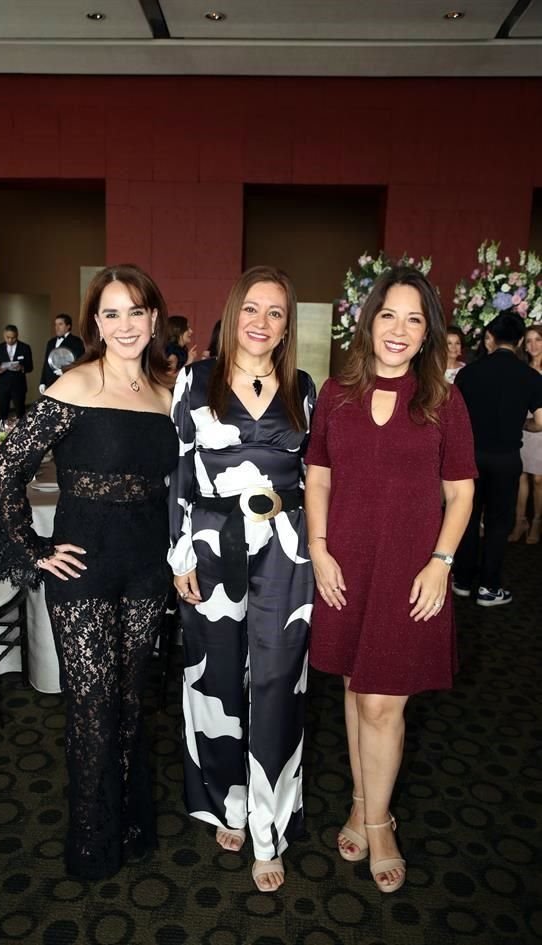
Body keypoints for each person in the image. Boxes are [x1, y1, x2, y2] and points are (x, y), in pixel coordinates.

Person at [0, 264, 178, 881]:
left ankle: (133, 827)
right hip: (82, 566)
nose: (124, 325)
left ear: (153, 319)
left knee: (130, 701)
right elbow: (5, 472)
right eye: (110, 313)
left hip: (148, 565)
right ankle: (93, 845)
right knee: (92, 706)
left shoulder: (170, 393)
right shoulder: (72, 387)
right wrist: (34, 549)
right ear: (94, 323)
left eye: (135, 312)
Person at [305, 266, 476, 894]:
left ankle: (379, 821)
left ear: (428, 332)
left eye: (414, 319)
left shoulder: (444, 401)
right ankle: (360, 800)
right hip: (346, 564)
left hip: (411, 570)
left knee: (382, 702)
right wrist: (319, 551)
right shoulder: (336, 394)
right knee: (355, 689)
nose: (399, 330)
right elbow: (317, 477)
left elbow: (461, 494)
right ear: (369, 321)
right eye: (388, 315)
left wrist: (441, 563)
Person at [168, 266, 316, 893]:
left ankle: (269, 825)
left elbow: (314, 475)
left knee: (280, 679)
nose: (261, 322)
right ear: (233, 315)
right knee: (218, 675)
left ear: (287, 326)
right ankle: (227, 799)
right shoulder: (195, 379)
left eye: (275, 312)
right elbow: (177, 468)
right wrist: (179, 555)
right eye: (251, 309)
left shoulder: (304, 388)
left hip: (286, 546)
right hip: (211, 543)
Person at [454, 313, 542, 604]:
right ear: (518, 341)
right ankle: (489, 587)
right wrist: (525, 425)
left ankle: (462, 580)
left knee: (466, 517)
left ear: (492, 336)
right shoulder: (529, 376)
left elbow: (455, 418)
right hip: (506, 458)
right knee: (498, 522)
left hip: (470, 456)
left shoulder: (469, 373)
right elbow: (540, 422)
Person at [509, 324, 542, 544]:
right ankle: (520, 522)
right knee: (520, 476)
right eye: (528, 340)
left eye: (537, 340)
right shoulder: (521, 369)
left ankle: (537, 522)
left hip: (541, 430)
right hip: (524, 429)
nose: (533, 345)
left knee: (538, 479)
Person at [0, 324, 33, 421]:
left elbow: (30, 367)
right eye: (8, 337)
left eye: (13, 338)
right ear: (4, 335)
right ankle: (2, 435)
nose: (10, 340)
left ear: (17, 335)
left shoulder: (25, 348)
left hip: (19, 386)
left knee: (20, 413)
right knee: (3, 414)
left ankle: (21, 435)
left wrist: (21, 367)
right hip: (3, 386)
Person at [39, 313, 85, 392]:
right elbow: (46, 363)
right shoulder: (51, 342)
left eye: (60, 324)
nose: (57, 327)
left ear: (68, 326)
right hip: (50, 383)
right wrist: (42, 382)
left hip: (67, 382)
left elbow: (80, 362)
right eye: (55, 324)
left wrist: (65, 370)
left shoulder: (76, 342)